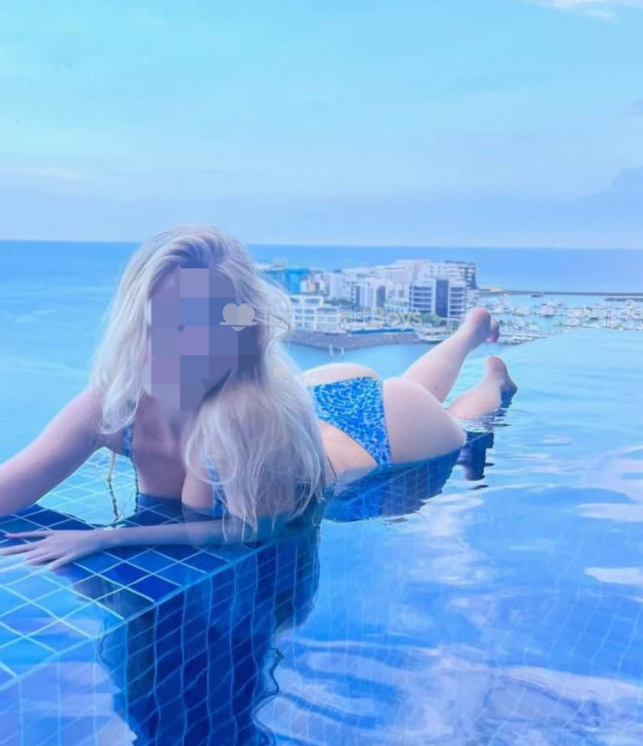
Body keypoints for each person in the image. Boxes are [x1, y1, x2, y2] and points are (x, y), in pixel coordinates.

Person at [0, 224, 517, 568]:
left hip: (381, 436)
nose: (170, 346)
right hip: (315, 400)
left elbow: (241, 531)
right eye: (159, 322)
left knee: (465, 425)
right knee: (421, 391)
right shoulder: (113, 407)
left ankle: (491, 376)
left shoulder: (237, 418)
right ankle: (469, 333)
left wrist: (105, 538)